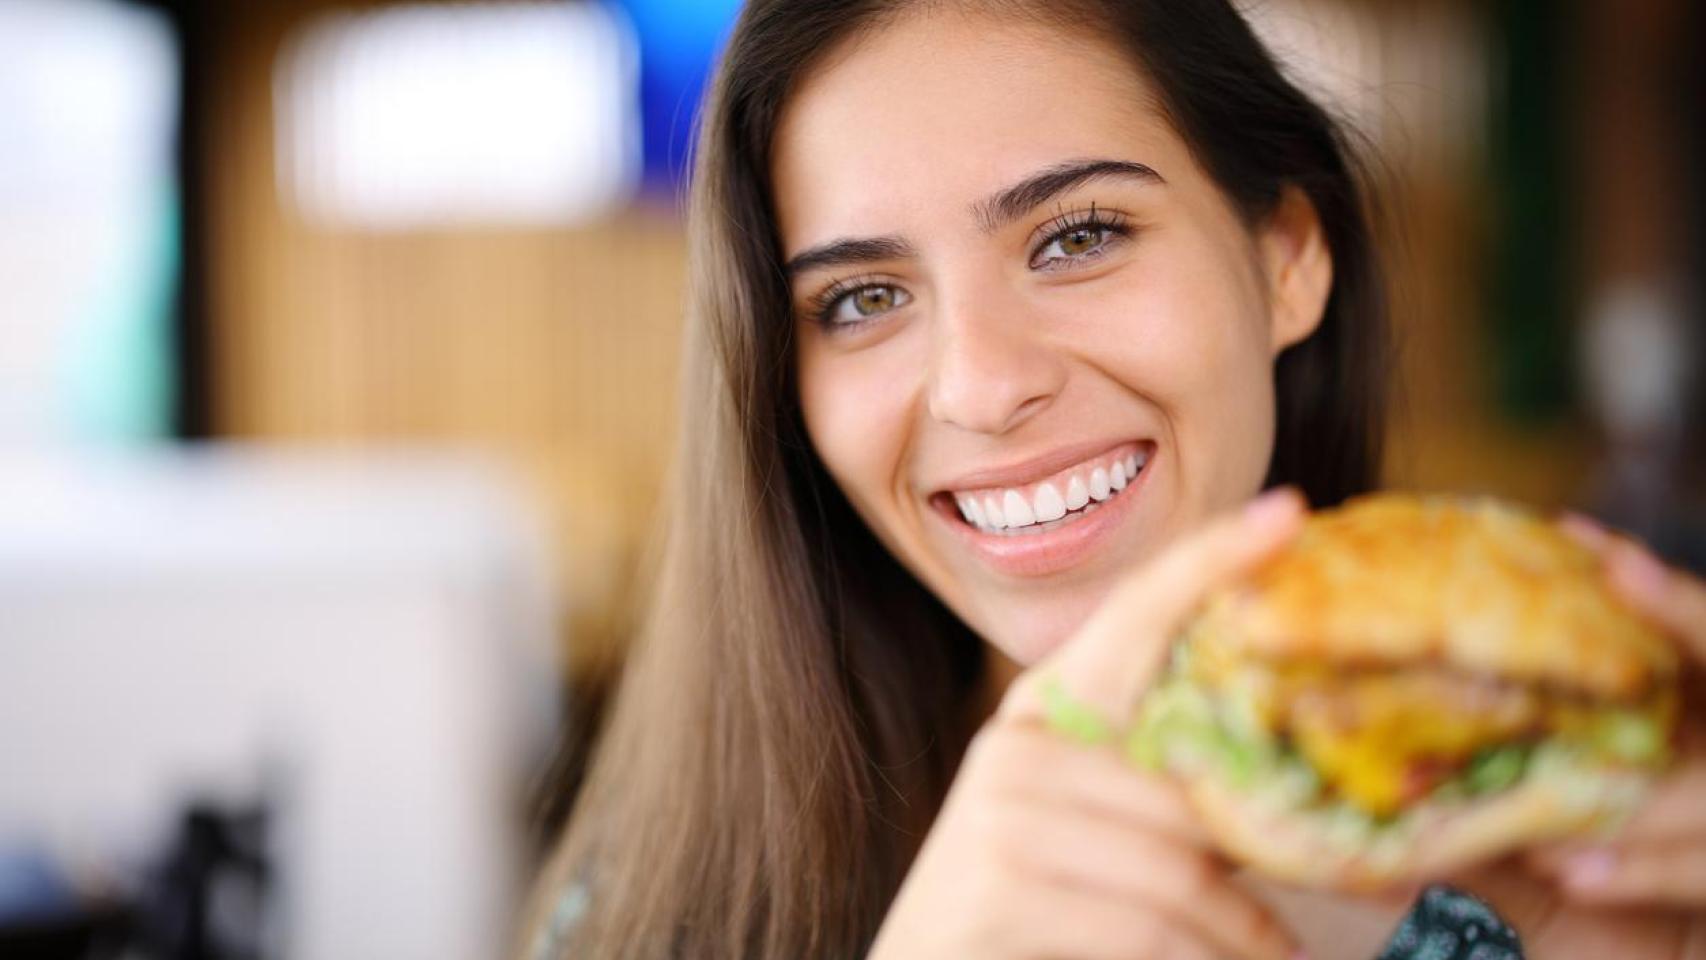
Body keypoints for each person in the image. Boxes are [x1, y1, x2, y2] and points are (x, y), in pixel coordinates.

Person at [520, 1, 1706, 957]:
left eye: (1076, 235)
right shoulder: (653, 914)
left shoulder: (1614, 823)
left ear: (1285, 256)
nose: (982, 387)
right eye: (860, 300)